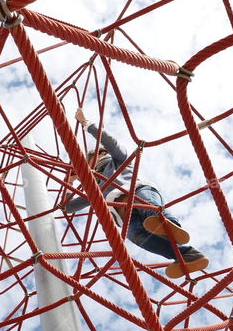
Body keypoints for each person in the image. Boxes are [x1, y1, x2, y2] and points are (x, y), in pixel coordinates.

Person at [63, 109, 209, 278]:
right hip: (123, 214)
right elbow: (68, 207)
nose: (86, 166)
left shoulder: (117, 159)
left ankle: (170, 225)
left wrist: (86, 124)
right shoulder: (94, 187)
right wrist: (70, 182)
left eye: (88, 161)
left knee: (151, 210)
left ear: (101, 154)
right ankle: (187, 255)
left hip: (136, 191)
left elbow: (110, 142)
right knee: (137, 236)